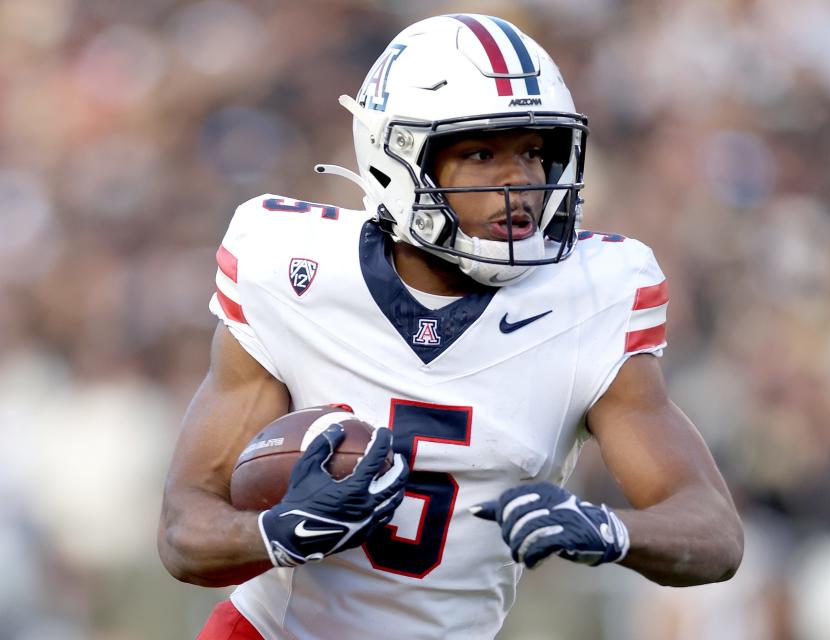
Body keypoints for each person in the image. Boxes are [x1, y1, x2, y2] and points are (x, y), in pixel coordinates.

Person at [157, 13, 743, 640]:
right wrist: (276, 534)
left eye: (535, 151)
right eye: (482, 152)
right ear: (397, 158)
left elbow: (714, 533)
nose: (519, 181)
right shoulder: (294, 269)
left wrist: (611, 530)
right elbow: (183, 530)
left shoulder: (593, 297)